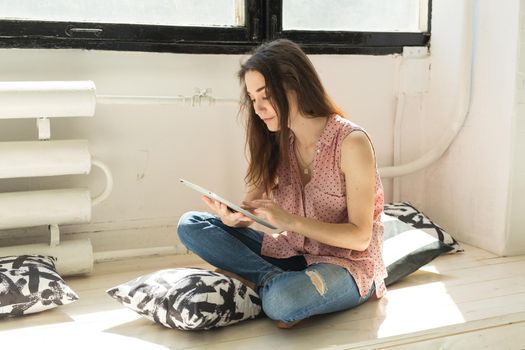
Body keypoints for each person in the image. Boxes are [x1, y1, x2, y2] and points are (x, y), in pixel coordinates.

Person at [177, 39, 387, 328]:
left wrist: (290, 221)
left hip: (346, 266)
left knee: (283, 301)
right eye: (252, 98)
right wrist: (236, 218)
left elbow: (360, 237)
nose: (259, 108)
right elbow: (250, 206)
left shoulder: (351, 143)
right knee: (191, 225)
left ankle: (263, 284)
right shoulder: (277, 140)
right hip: (290, 254)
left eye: (265, 95)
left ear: (295, 84)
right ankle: (268, 279)